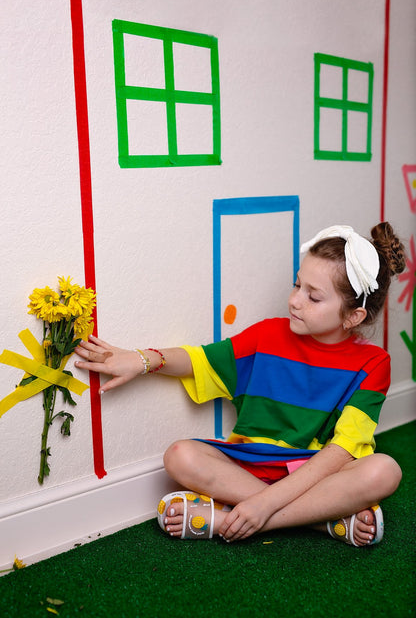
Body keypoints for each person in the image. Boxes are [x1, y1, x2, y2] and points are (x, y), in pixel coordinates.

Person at [75, 222, 406, 547]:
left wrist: (263, 506)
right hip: (251, 466)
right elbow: (201, 360)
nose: (294, 301)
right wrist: (142, 360)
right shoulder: (267, 335)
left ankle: (230, 518)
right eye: (296, 285)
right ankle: (323, 521)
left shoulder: (374, 363)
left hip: (317, 474)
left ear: (353, 317)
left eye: (313, 297)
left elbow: (340, 453)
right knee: (180, 456)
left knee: (384, 471)